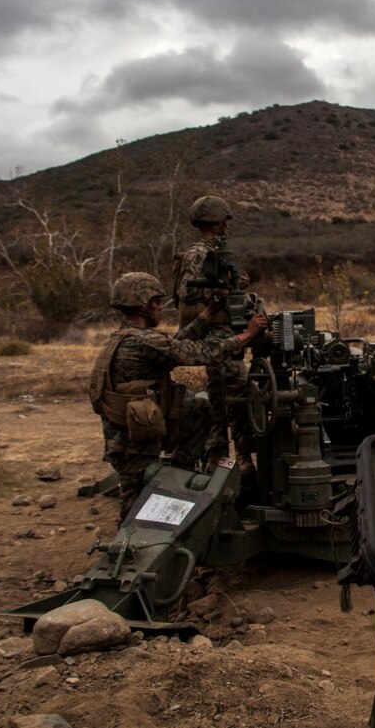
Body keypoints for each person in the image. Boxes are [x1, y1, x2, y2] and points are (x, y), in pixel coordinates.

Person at [89, 272, 268, 522]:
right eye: (158, 303)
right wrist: (246, 336)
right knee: (134, 511)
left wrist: (207, 314)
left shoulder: (127, 337)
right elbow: (200, 352)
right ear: (144, 305)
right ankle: (129, 551)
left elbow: (173, 344)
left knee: (198, 408)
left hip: (127, 434)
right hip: (133, 445)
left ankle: (180, 474)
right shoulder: (144, 342)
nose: (162, 308)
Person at [172, 195, 253, 472]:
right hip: (216, 335)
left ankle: (223, 459)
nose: (225, 226)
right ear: (217, 221)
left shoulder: (210, 250)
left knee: (225, 395)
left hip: (220, 332)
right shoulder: (199, 254)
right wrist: (219, 294)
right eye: (223, 222)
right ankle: (229, 460)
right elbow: (188, 293)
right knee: (231, 398)